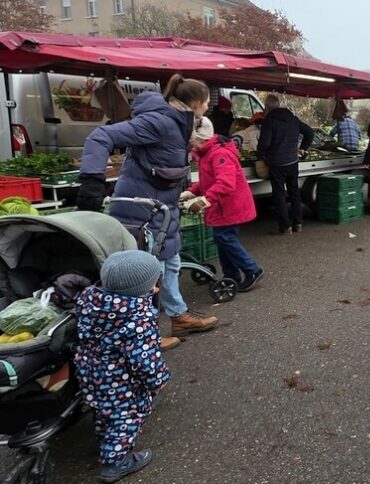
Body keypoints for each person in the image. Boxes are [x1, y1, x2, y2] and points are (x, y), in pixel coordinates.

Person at [77, 73, 219, 350]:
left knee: (171, 263)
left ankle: (178, 316)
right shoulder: (159, 121)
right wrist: (92, 181)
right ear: (199, 102)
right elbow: (101, 136)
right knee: (143, 276)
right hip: (139, 210)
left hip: (162, 210)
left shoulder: (182, 124)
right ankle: (144, 335)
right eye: (207, 104)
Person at [74, 250, 170, 483]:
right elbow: (145, 359)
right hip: (120, 378)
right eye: (152, 286)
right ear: (138, 290)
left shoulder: (91, 298)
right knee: (126, 415)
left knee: (104, 407)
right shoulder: (138, 317)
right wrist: (158, 381)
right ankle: (116, 462)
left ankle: (104, 438)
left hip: (89, 369)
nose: (156, 289)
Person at [181, 117, 263, 292]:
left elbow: (225, 184)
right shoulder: (208, 153)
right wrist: (191, 191)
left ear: (202, 138)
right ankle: (231, 275)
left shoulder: (219, 154)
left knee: (224, 238)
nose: (191, 145)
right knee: (223, 240)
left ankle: (252, 269)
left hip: (229, 206)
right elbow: (208, 181)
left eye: (192, 141)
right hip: (222, 205)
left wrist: (204, 199)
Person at [258, 94, 314, 235]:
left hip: (277, 163)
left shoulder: (269, 121)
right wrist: (303, 148)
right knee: (294, 193)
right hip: (293, 162)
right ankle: (298, 223)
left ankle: (285, 226)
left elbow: (264, 144)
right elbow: (309, 132)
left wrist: (262, 154)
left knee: (279, 195)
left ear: (267, 107)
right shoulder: (292, 118)